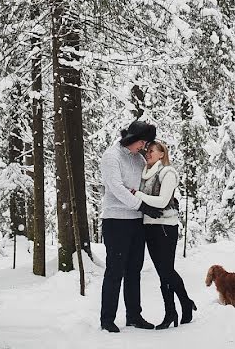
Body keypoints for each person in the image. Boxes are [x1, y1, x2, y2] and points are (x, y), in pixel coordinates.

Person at [99, 120, 164, 333]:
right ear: (132, 139)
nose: (143, 147)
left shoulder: (137, 159)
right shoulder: (112, 157)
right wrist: (141, 205)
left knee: (134, 270)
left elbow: (143, 185)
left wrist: (161, 200)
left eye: (146, 143)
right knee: (115, 271)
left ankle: (134, 316)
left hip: (137, 222)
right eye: (142, 142)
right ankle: (107, 319)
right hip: (116, 221)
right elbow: (116, 188)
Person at [133, 140, 197, 329]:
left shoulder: (167, 172)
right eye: (147, 151)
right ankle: (174, 310)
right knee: (163, 273)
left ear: (162, 154)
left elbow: (162, 201)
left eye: (152, 151)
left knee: (166, 271)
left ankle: (180, 307)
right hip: (149, 226)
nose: (148, 153)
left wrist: (137, 194)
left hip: (165, 227)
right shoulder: (145, 174)